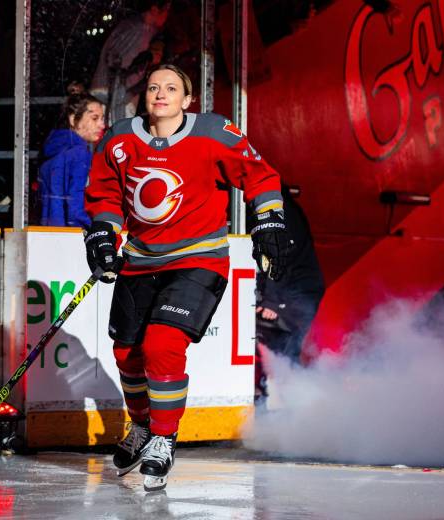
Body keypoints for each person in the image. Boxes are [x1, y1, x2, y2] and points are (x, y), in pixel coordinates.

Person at [83, 64, 292, 491]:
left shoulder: (213, 133)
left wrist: (269, 220)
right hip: (140, 261)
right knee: (126, 353)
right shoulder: (119, 139)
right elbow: (105, 194)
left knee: (162, 344)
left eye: (171, 88)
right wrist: (103, 233)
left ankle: (164, 438)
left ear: (187, 99)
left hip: (197, 260)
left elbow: (259, 174)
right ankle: (143, 426)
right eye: (153, 87)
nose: (161, 94)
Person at [254, 187, 325, 409]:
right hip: (291, 290)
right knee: (282, 354)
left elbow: (280, 253)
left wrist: (272, 300)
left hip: (296, 292)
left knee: (285, 355)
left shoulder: (277, 208)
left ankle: (296, 410)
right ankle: (291, 409)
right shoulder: (275, 203)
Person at [90, 1, 170, 125]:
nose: (167, 15)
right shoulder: (136, 29)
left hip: (118, 97)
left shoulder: (146, 30)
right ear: (154, 9)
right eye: (166, 10)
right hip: (111, 97)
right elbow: (117, 65)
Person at [38, 93, 105, 227]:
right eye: (94, 118)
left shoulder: (52, 150)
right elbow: (75, 210)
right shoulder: (79, 153)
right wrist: (95, 229)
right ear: (73, 119)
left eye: (102, 119)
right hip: (71, 233)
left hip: (47, 231)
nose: (102, 125)